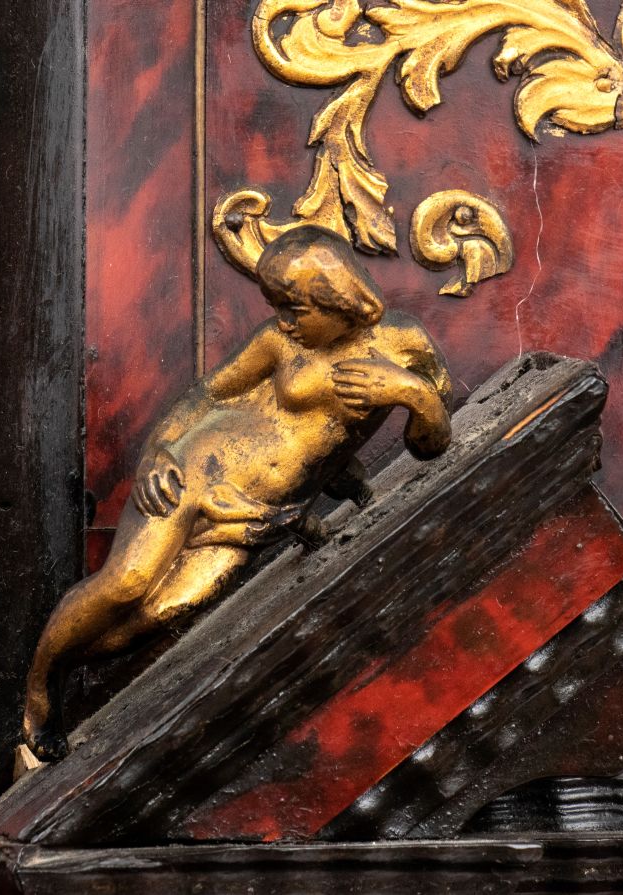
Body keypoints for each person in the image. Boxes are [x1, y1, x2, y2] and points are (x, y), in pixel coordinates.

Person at [23, 225, 453, 759]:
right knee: (127, 584)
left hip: (256, 512)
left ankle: (64, 664)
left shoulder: (403, 343)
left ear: (338, 300)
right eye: (277, 307)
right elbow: (208, 394)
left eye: (295, 308)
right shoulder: (278, 342)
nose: (283, 320)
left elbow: (431, 446)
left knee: (159, 614)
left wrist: (413, 393)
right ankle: (39, 692)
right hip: (198, 469)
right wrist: (157, 452)